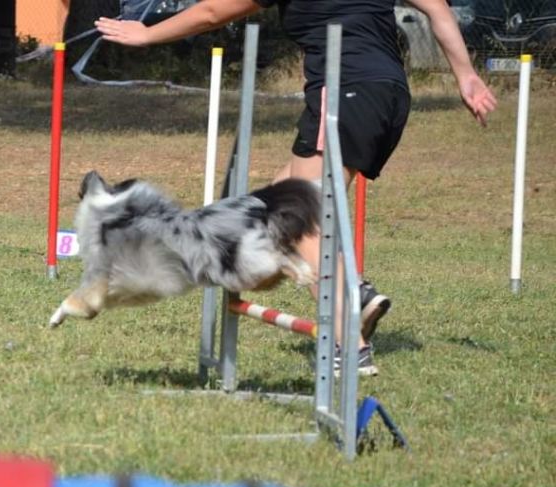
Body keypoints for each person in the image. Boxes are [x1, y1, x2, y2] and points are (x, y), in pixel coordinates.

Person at [95, 0, 497, 376]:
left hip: (345, 89)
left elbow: (214, 11)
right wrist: (467, 77)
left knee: (297, 218)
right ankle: (341, 292)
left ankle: (350, 333)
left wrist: (147, 34)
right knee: (276, 205)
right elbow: (439, 9)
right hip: (388, 94)